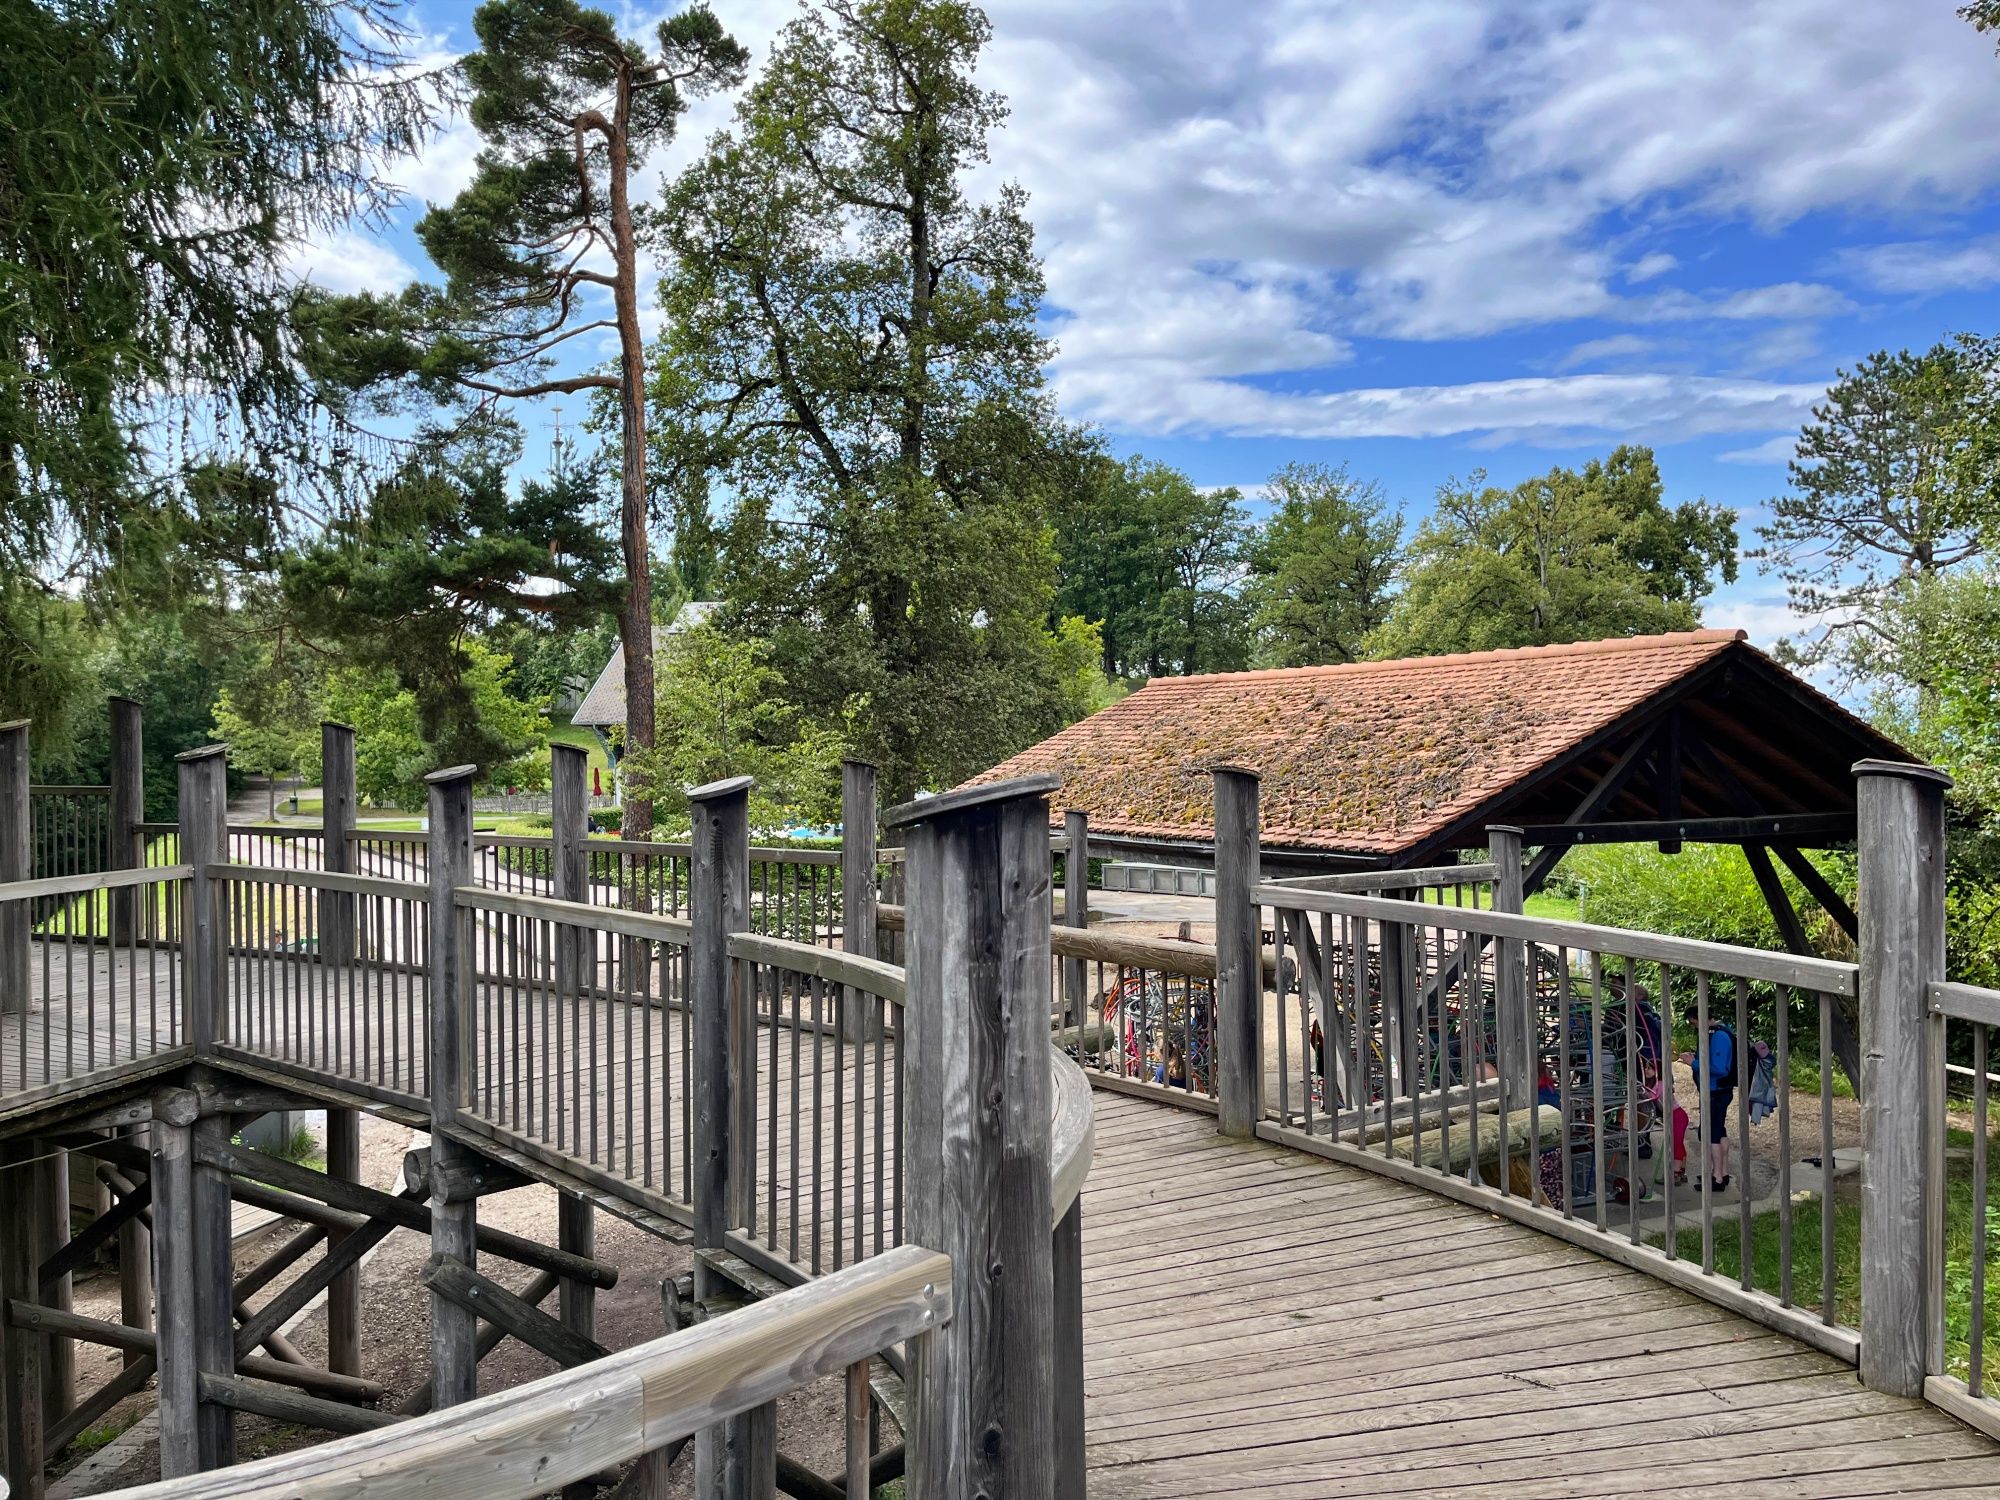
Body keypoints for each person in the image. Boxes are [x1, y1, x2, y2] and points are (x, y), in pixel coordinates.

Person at [1681, 1022, 1736, 1193]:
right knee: (1719, 1131)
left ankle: (1717, 1178)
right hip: (1718, 1091)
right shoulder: (1721, 1031)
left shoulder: (1718, 1035)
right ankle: (1723, 1172)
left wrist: (1694, 1063)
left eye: (1691, 1022)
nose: (1692, 1026)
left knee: (1711, 1134)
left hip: (1716, 1092)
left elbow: (1719, 1068)